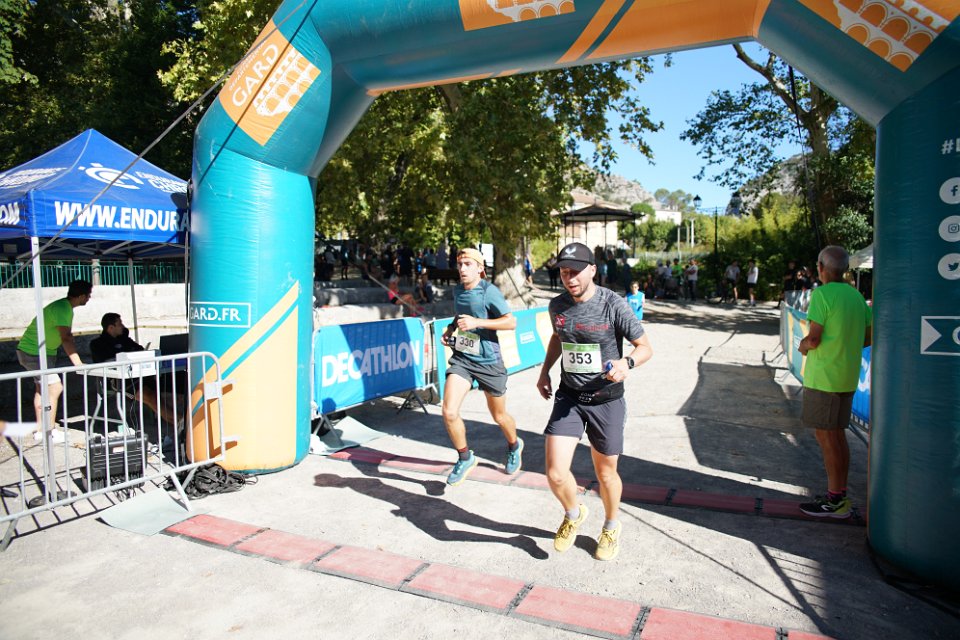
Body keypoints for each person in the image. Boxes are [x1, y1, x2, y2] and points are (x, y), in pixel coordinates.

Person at [536, 242, 652, 561]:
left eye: (575, 271)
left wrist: (627, 363)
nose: (569, 278)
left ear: (592, 270)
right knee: (555, 473)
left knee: (605, 475)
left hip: (606, 400)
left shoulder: (613, 304)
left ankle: (611, 526)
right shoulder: (557, 305)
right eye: (564, 272)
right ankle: (574, 514)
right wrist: (545, 372)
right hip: (569, 397)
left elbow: (645, 347)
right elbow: (558, 337)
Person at [797, 246, 872, 518]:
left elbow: (814, 338)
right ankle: (839, 496)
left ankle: (835, 500)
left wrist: (803, 346)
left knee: (827, 437)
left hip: (824, 378)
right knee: (838, 436)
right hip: (847, 376)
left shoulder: (822, 294)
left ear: (820, 268)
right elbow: (868, 337)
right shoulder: (856, 296)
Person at [439, 248, 522, 486]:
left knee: (499, 416)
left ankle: (514, 445)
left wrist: (478, 322)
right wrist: (451, 329)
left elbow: (510, 322)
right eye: (460, 264)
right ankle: (465, 457)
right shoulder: (458, 291)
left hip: (488, 362)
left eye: (468, 264)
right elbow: (461, 315)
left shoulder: (488, 291)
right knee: (449, 411)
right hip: (463, 359)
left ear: (479, 268)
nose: (462, 269)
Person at [17, 279, 92, 442]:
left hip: (38, 352)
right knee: (55, 387)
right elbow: (66, 338)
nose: (89, 298)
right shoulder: (63, 308)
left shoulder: (63, 307)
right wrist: (78, 363)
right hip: (35, 352)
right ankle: (49, 431)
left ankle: (40, 430)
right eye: (88, 295)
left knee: (42, 389)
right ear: (81, 296)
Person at [90, 313, 177, 427]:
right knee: (150, 396)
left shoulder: (124, 339)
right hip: (118, 381)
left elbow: (140, 349)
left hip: (140, 374)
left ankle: (182, 419)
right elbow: (104, 362)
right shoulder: (97, 344)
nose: (123, 326)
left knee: (173, 385)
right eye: (119, 324)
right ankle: (179, 421)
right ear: (111, 327)